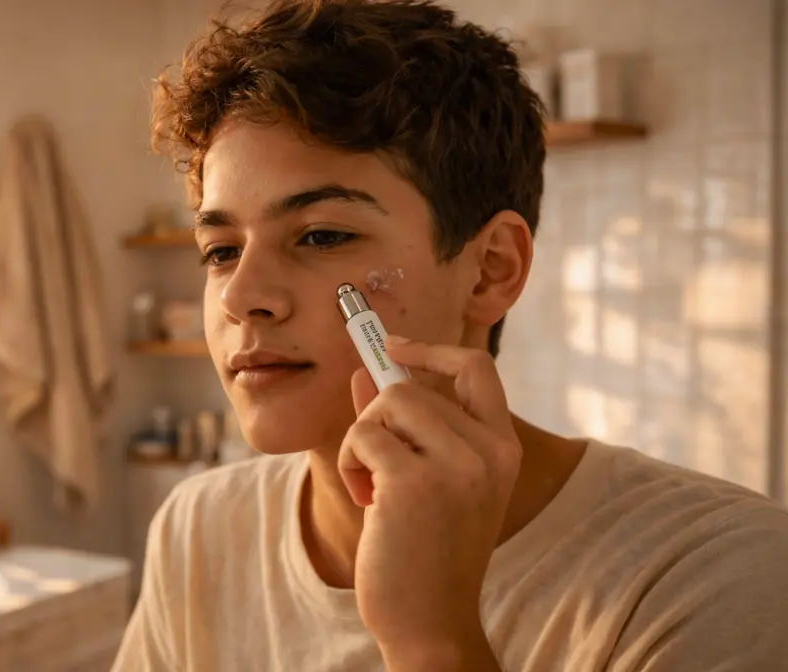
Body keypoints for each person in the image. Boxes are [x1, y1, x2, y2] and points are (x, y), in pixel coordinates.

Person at [111, 1, 788, 670]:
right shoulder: (197, 530)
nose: (239, 296)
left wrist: (433, 640)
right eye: (220, 250)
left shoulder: (715, 576)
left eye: (322, 235)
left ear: (490, 268)